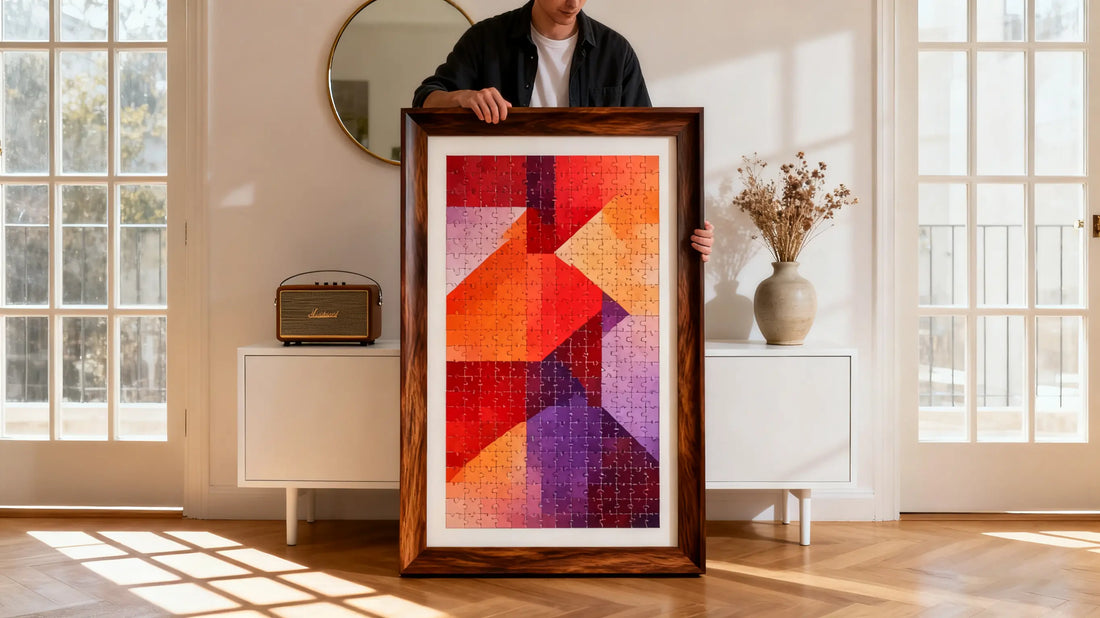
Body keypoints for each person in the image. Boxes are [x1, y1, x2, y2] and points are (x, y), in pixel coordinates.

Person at [414, 0, 714, 261]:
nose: (573, 2)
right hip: (499, 214)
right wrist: (460, 97)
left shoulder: (616, 52)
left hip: (591, 220)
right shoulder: (486, 39)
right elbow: (424, 100)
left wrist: (683, 228)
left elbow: (649, 155)